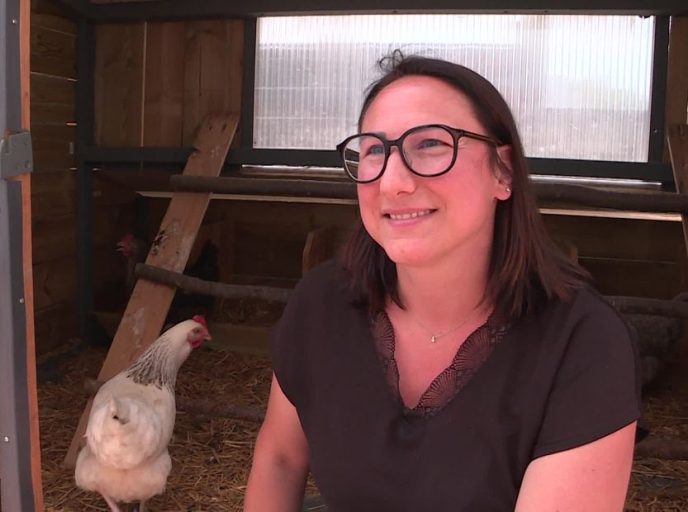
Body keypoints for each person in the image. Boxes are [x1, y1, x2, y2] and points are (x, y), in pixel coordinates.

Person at [244, 51, 641, 511]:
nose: (393, 182)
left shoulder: (583, 343)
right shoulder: (321, 304)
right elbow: (280, 459)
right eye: (374, 149)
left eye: (430, 144)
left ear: (503, 170)